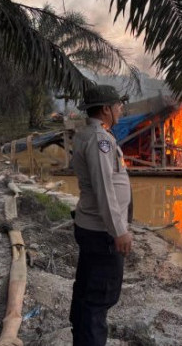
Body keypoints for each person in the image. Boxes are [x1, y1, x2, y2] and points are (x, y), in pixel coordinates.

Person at [70, 84, 131, 346]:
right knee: (99, 297)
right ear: (106, 109)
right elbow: (104, 188)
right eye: (118, 105)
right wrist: (119, 230)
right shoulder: (99, 140)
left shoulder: (91, 135)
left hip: (92, 227)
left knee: (87, 292)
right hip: (102, 232)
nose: (121, 109)